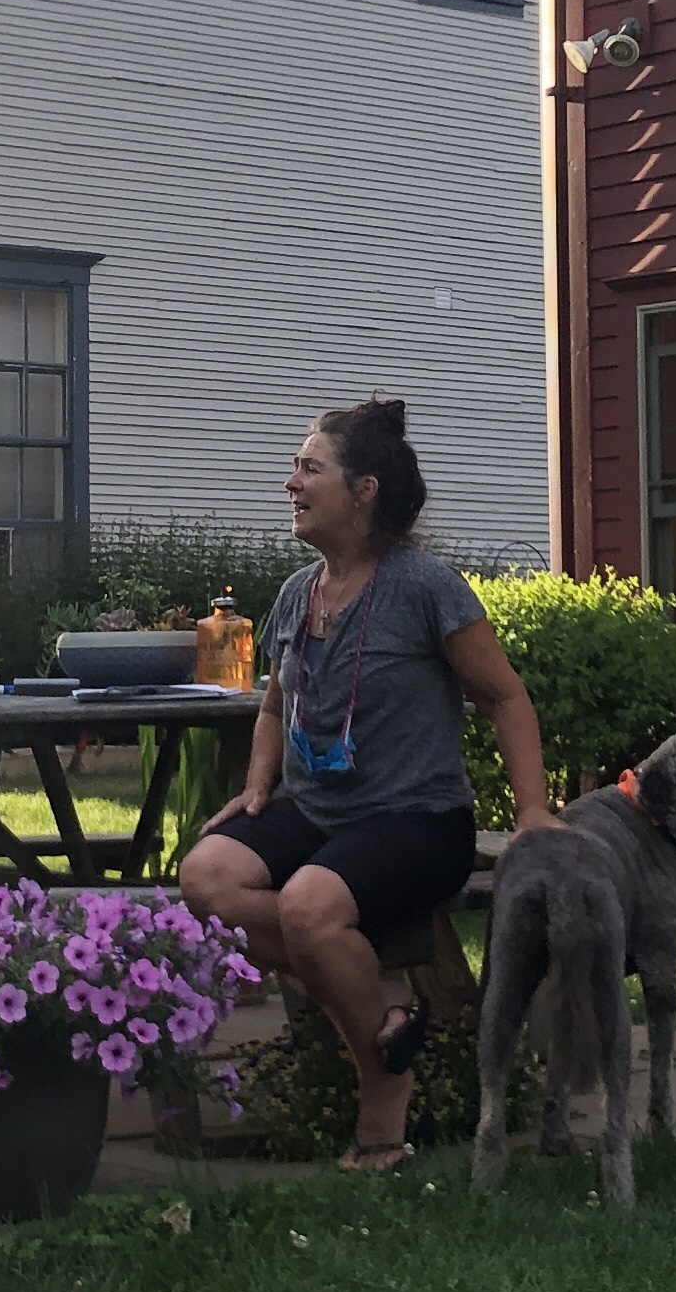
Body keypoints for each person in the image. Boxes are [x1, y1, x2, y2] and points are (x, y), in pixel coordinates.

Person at [178, 397, 558, 1172]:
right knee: (206, 877)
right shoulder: (297, 592)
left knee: (307, 909)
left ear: (364, 490)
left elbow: (505, 698)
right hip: (315, 810)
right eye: (294, 468)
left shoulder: (425, 586)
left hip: (418, 819)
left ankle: (383, 1112)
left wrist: (532, 811)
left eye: (309, 469)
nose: (291, 483)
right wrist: (257, 786)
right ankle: (380, 994)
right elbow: (275, 704)